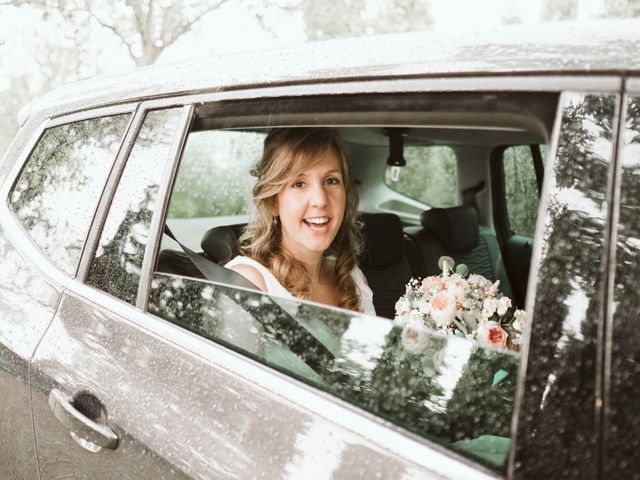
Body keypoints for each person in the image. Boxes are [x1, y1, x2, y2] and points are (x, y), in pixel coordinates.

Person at [226, 127, 375, 316]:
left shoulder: (352, 279)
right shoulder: (248, 283)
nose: (320, 200)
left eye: (331, 181)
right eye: (299, 184)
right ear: (273, 202)